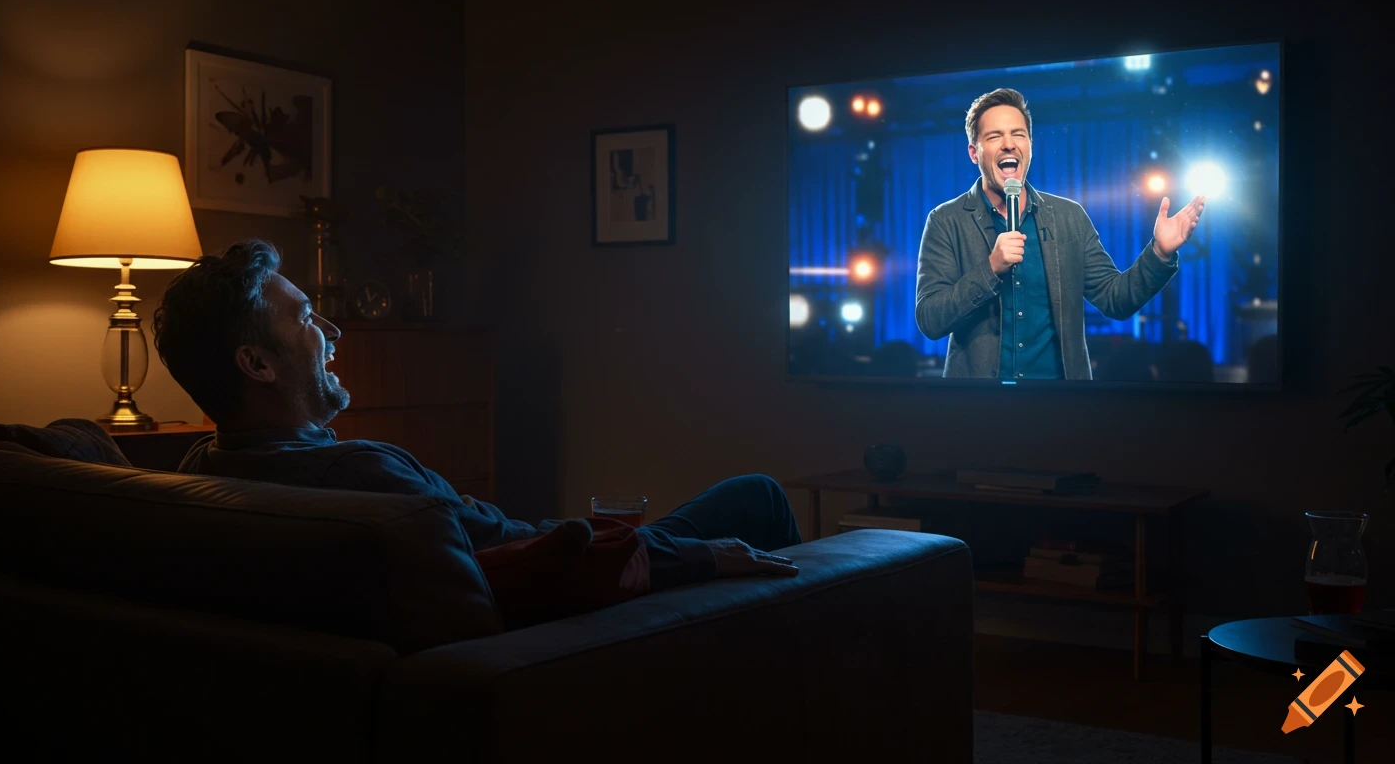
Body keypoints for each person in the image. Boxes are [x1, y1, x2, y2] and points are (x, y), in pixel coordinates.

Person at [151, 239, 802, 596]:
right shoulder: (362, 474)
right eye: (303, 318)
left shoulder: (196, 477)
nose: (332, 330)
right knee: (757, 499)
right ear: (256, 364)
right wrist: (700, 557)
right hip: (570, 620)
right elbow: (536, 553)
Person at [914, 88, 1206, 380]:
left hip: (1060, 399)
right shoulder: (946, 220)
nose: (1008, 144)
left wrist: (1160, 252)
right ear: (974, 153)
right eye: (994, 136)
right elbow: (930, 319)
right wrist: (990, 269)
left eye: (1018, 134)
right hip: (979, 402)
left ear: (1030, 146)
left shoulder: (1069, 217)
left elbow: (1115, 299)